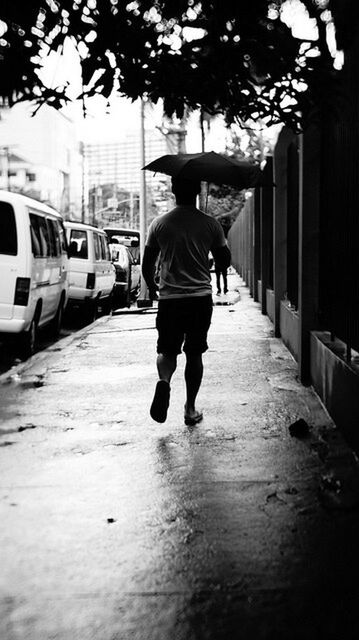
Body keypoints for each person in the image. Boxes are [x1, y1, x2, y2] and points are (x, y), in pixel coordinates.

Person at [142, 176, 231, 425]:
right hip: (199, 299)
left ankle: (164, 382)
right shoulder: (211, 224)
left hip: (170, 299)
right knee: (194, 354)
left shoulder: (159, 224)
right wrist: (211, 251)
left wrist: (152, 287)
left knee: (167, 350)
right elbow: (224, 261)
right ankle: (190, 409)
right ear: (197, 191)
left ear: (173, 190)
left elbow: (147, 264)